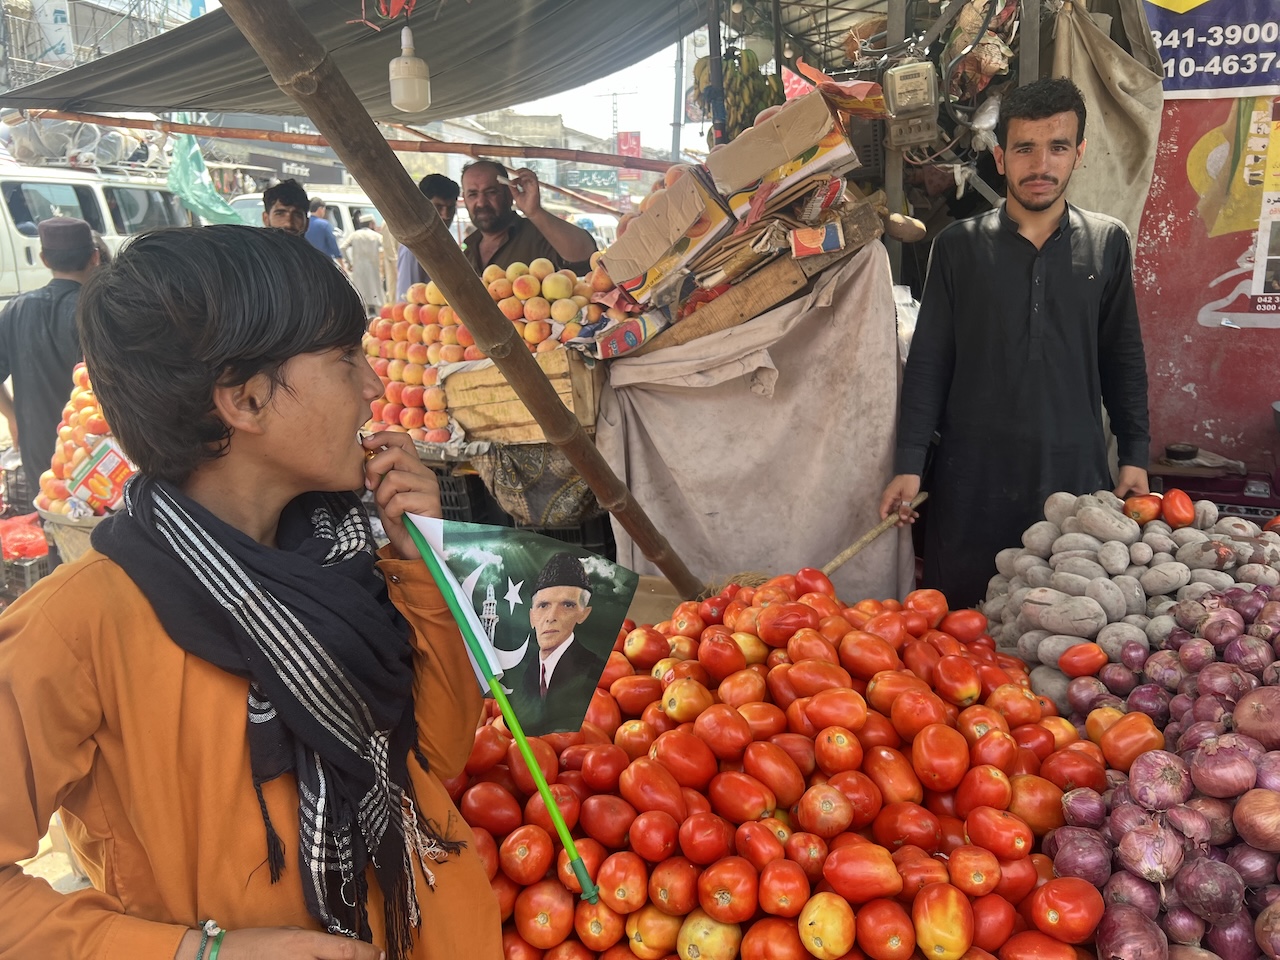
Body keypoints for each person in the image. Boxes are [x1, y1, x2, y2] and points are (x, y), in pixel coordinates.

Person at [0, 225, 501, 959]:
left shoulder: (351, 556)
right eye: (342, 358)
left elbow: (439, 753)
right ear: (245, 400)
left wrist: (423, 558)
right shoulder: (76, 627)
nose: (373, 385)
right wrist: (200, 954)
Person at [879, 77, 1150, 608]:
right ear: (1001, 157)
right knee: (959, 635)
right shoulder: (958, 247)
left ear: (1080, 153)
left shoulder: (1107, 243)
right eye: (1025, 148)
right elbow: (931, 361)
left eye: (1058, 147)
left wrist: (1135, 454)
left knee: (1058, 631)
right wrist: (910, 462)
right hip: (970, 479)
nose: (1041, 164)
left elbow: (1123, 357)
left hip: (1072, 476)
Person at [0, 217, 101, 483]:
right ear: (95, 257)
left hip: (40, 453)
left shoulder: (15, 309)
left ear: (44, 259)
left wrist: (14, 418)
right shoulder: (96, 310)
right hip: (95, 448)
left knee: (51, 516)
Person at [504, 553, 606, 736]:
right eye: (543, 605)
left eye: (567, 605)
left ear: (584, 614)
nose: (551, 617)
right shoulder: (519, 676)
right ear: (531, 616)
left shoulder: (595, 670)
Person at [459, 160, 597, 276]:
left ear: (509, 194)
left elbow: (585, 255)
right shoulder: (467, 252)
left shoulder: (539, 235)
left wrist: (535, 212)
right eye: (473, 194)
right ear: (464, 199)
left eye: (491, 192)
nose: (481, 202)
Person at [397, 174, 460, 301]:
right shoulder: (414, 249)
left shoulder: (447, 243)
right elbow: (406, 298)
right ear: (421, 206)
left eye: (451, 208)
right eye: (438, 207)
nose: (446, 215)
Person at [342, 215, 386, 317]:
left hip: (358, 269)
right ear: (371, 224)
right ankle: (381, 318)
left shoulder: (354, 235)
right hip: (373, 269)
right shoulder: (376, 236)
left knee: (361, 296)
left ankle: (364, 321)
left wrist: (349, 263)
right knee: (377, 294)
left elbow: (343, 247)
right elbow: (386, 246)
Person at [305, 197, 344, 266]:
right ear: (320, 209)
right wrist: (342, 265)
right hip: (324, 263)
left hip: (307, 263)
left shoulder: (304, 224)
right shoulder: (325, 225)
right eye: (324, 210)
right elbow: (333, 245)